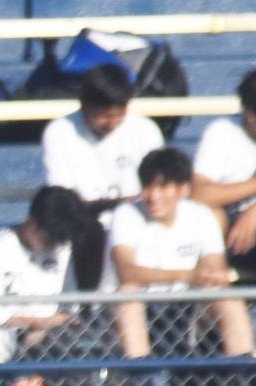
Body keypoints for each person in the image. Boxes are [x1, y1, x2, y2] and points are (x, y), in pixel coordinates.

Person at [103, 147, 253, 363]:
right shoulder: (126, 214)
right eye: (148, 187)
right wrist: (187, 276)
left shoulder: (201, 215)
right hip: (139, 306)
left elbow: (214, 269)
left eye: (163, 187)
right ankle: (140, 371)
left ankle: (245, 372)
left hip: (187, 307)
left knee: (227, 297)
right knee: (129, 293)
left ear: (183, 189)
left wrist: (207, 276)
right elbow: (127, 272)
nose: (153, 196)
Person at [40, 63, 164, 289]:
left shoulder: (145, 130)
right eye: (103, 116)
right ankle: (89, 311)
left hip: (136, 219)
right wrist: (121, 201)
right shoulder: (59, 131)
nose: (112, 123)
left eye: (119, 115)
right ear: (84, 105)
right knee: (88, 228)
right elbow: (65, 201)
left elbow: (157, 192)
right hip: (85, 224)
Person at [0, 186, 84, 363]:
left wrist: (46, 327)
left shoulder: (62, 248)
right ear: (30, 222)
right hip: (3, 340)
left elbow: (70, 306)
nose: (53, 247)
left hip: (49, 338)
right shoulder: (3, 245)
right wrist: (37, 323)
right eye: (49, 240)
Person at [191, 69, 256, 274]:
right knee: (211, 214)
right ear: (248, 113)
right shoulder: (222, 134)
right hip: (232, 235)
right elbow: (200, 194)